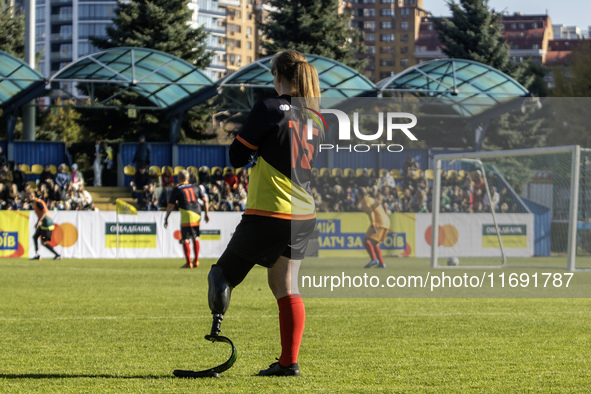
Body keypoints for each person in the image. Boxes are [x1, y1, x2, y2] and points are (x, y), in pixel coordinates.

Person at [205, 50, 322, 377]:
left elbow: (237, 156)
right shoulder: (315, 117)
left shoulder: (269, 108)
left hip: (270, 210)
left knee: (221, 276)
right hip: (303, 213)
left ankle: (216, 329)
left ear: (278, 75)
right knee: (285, 284)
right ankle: (288, 363)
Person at [164, 170, 209, 268]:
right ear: (188, 178)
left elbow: (170, 205)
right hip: (197, 214)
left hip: (187, 214)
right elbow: (205, 201)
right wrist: (206, 214)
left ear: (179, 178)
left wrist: (166, 217)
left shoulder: (178, 189)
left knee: (185, 239)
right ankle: (196, 261)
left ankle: (189, 263)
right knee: (195, 237)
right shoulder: (195, 186)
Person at [360, 187, 391, 268]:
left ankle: (374, 259)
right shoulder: (370, 199)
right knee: (374, 243)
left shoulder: (365, 201)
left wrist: (373, 224)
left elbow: (371, 213)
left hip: (379, 222)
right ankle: (381, 263)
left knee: (366, 240)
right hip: (386, 221)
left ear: (359, 195)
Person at [30, 191, 62, 260]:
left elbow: (44, 211)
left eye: (30, 196)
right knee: (35, 237)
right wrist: (38, 222)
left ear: (33, 196)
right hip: (43, 223)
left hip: (47, 223)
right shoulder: (36, 202)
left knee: (44, 242)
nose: (28, 198)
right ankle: (37, 255)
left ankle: (58, 255)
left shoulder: (38, 202)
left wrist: (39, 222)